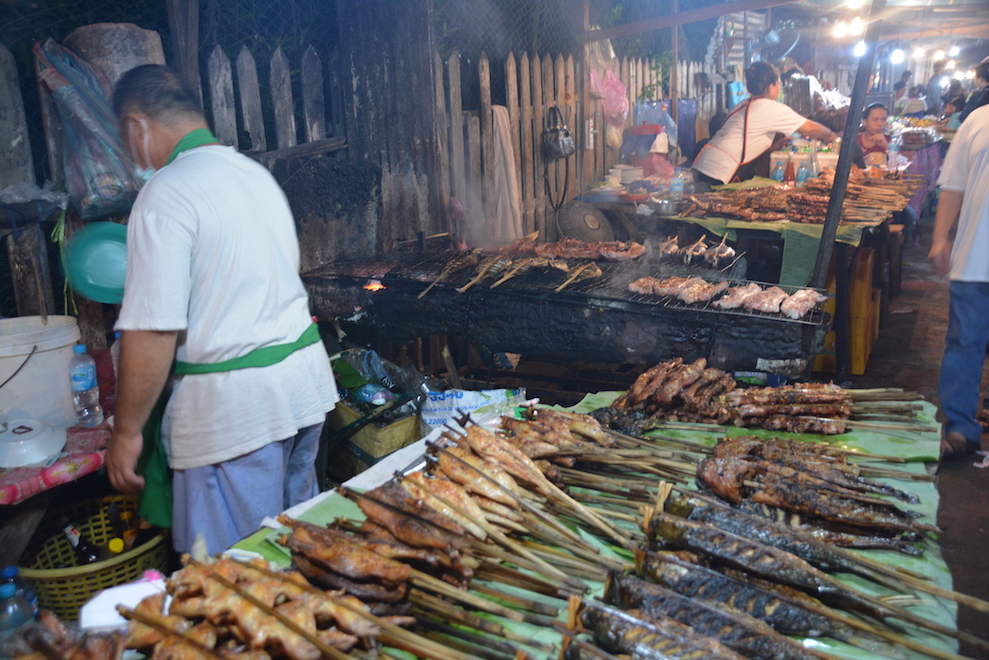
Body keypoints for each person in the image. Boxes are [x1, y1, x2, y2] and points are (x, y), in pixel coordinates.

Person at [106, 65, 339, 555]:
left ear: (137, 127)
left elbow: (152, 331)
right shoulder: (254, 175)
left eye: (125, 142)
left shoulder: (164, 194)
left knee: (231, 581)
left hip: (235, 418)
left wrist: (126, 433)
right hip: (303, 395)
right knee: (295, 554)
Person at [928, 105, 989, 460]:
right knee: (965, 342)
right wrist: (940, 238)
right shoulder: (978, 120)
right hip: (976, 255)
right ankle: (961, 426)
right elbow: (952, 185)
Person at [693, 62, 837, 188]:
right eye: (778, 84)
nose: (779, 88)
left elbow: (742, 138)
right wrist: (831, 135)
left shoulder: (743, 104)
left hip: (703, 164)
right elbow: (811, 128)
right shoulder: (771, 108)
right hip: (721, 171)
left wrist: (770, 148)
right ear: (770, 87)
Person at [857, 102, 891, 168]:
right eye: (875, 120)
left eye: (883, 119)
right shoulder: (855, 141)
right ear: (865, 122)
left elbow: (898, 164)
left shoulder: (890, 140)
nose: (880, 124)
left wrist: (886, 147)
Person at [958, 60, 989, 125]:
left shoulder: (978, 97)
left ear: (981, 79)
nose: (974, 80)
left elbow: (963, 118)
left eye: (975, 77)